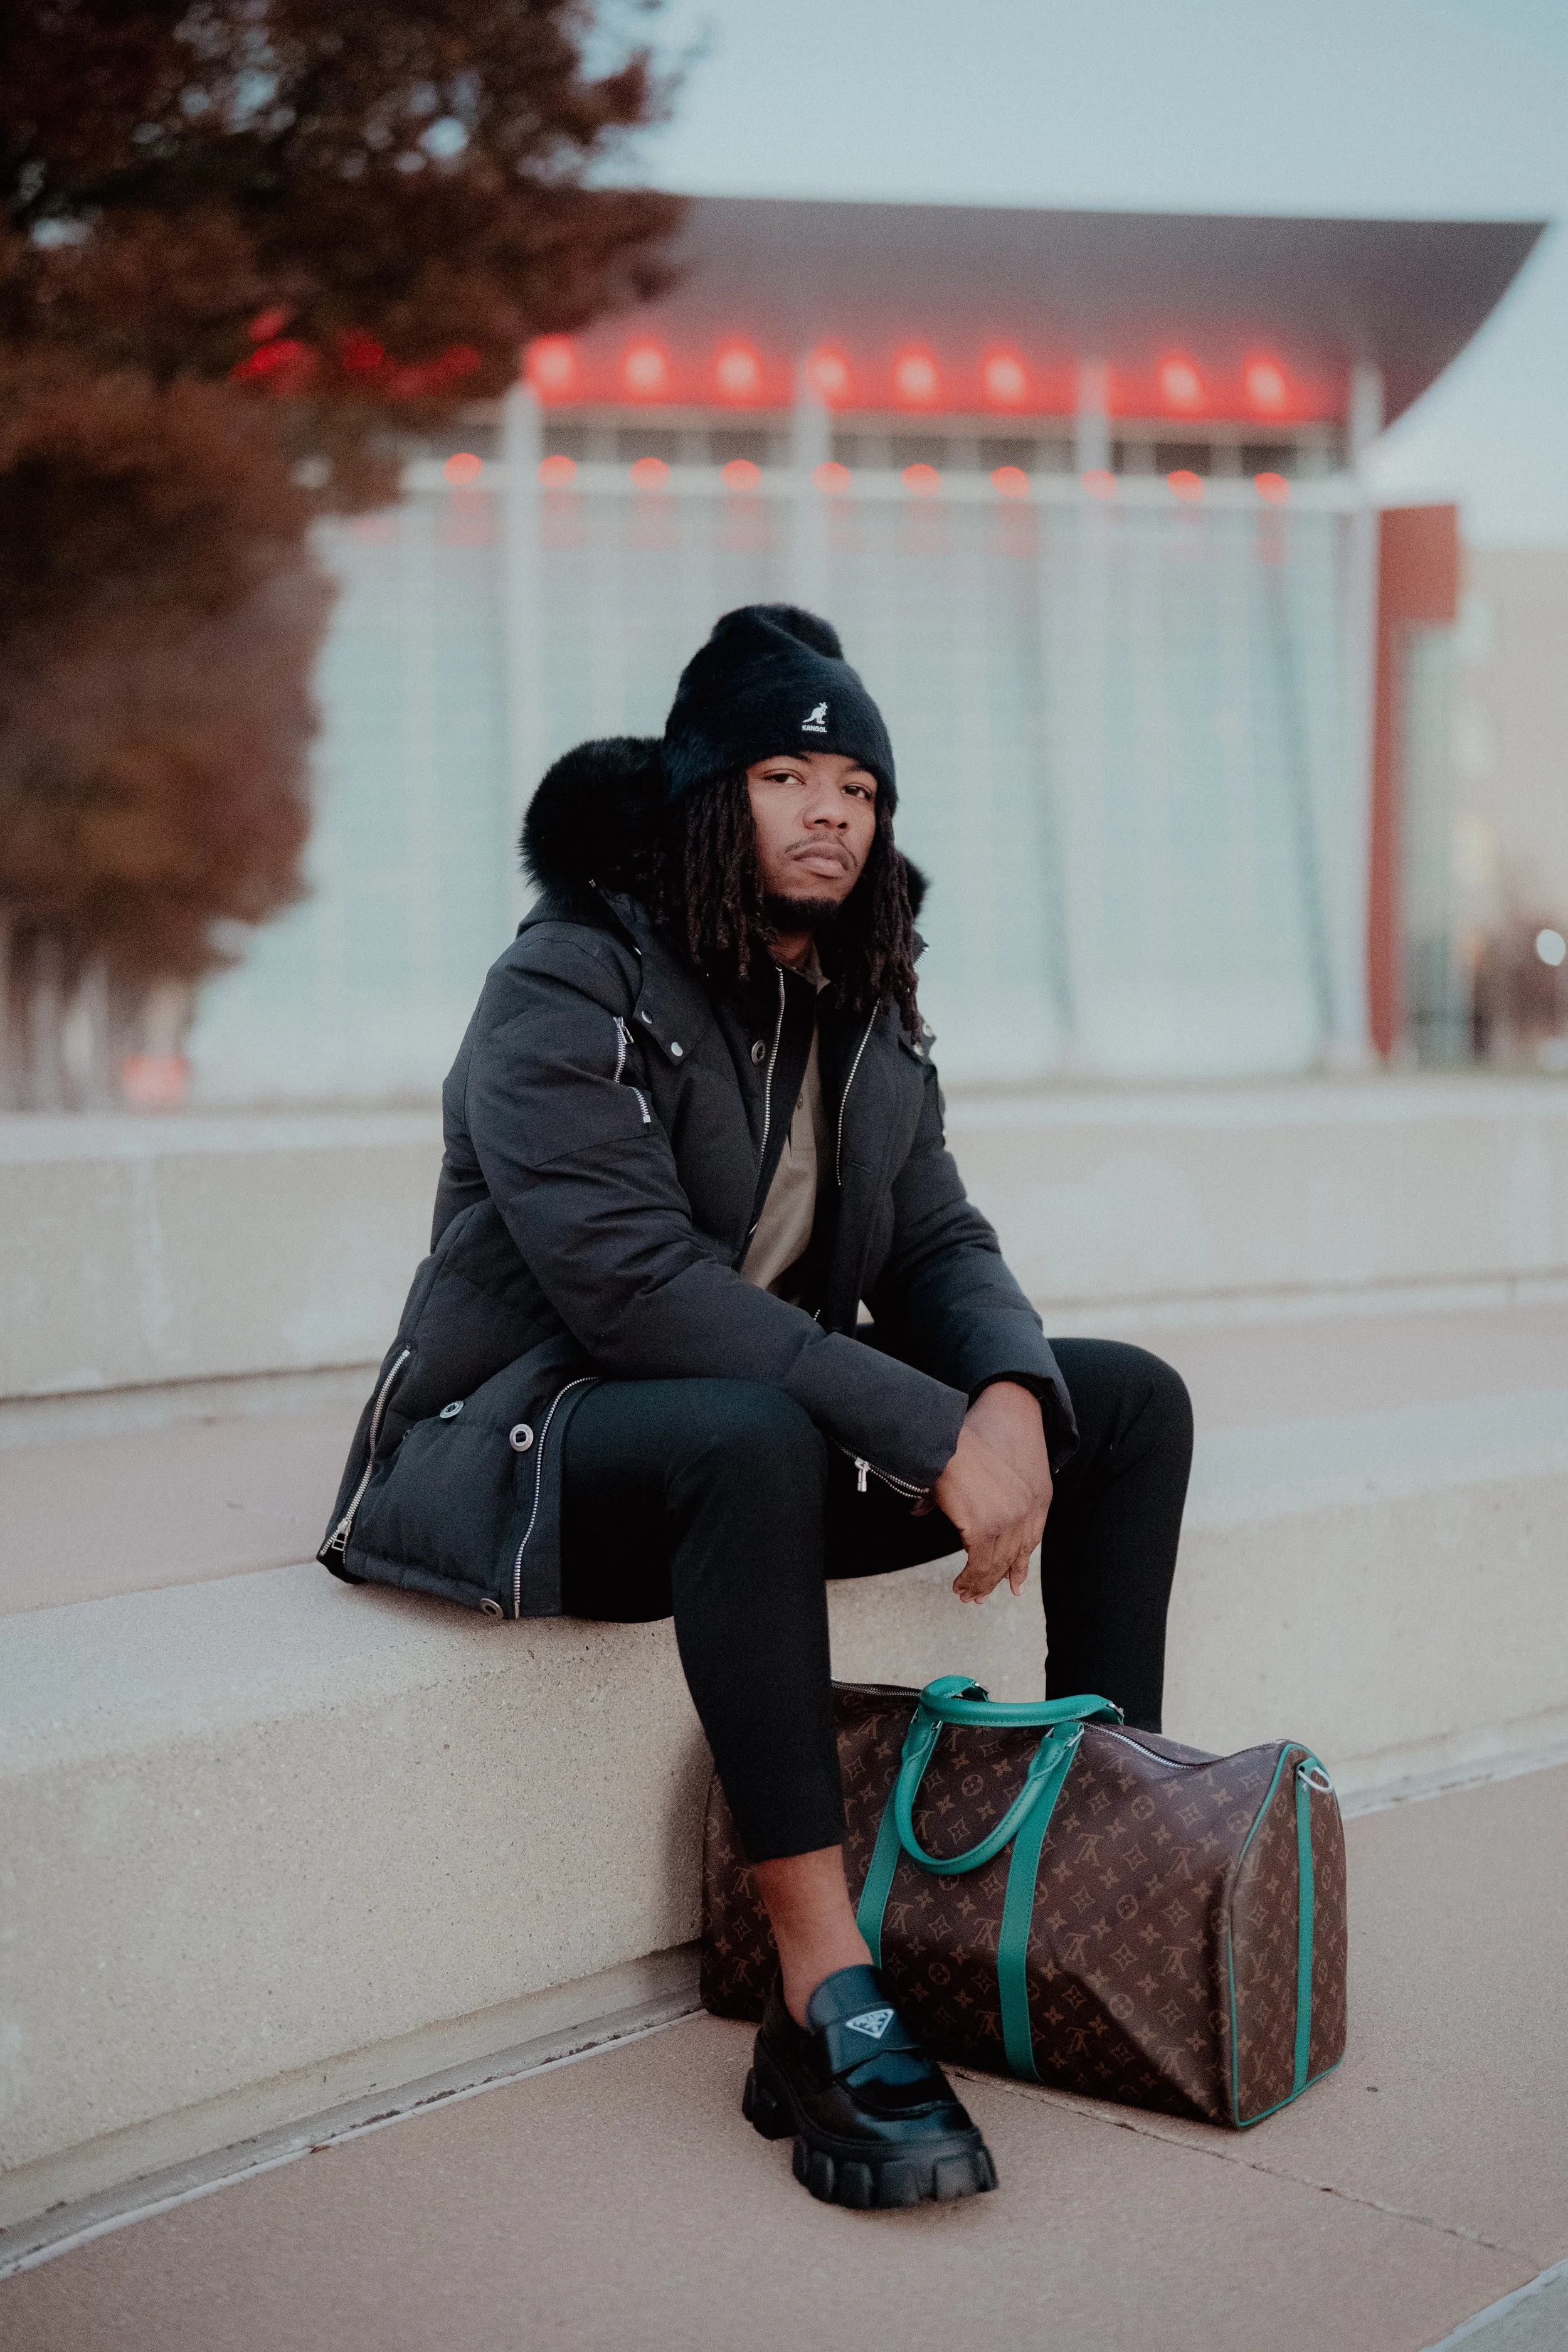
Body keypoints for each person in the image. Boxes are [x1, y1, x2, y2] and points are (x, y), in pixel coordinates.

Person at [321, 604, 1193, 2212]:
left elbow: (934, 1240)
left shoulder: (860, 1006)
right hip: (524, 1452)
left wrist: (1001, 1398)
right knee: (749, 1425)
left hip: (750, 1467)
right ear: (706, 797)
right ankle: (816, 1985)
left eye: (857, 786)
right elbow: (635, 1290)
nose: (827, 813)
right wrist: (928, 1434)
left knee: (1119, 1404)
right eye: (786, 774)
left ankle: (1071, 1878)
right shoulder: (564, 982)